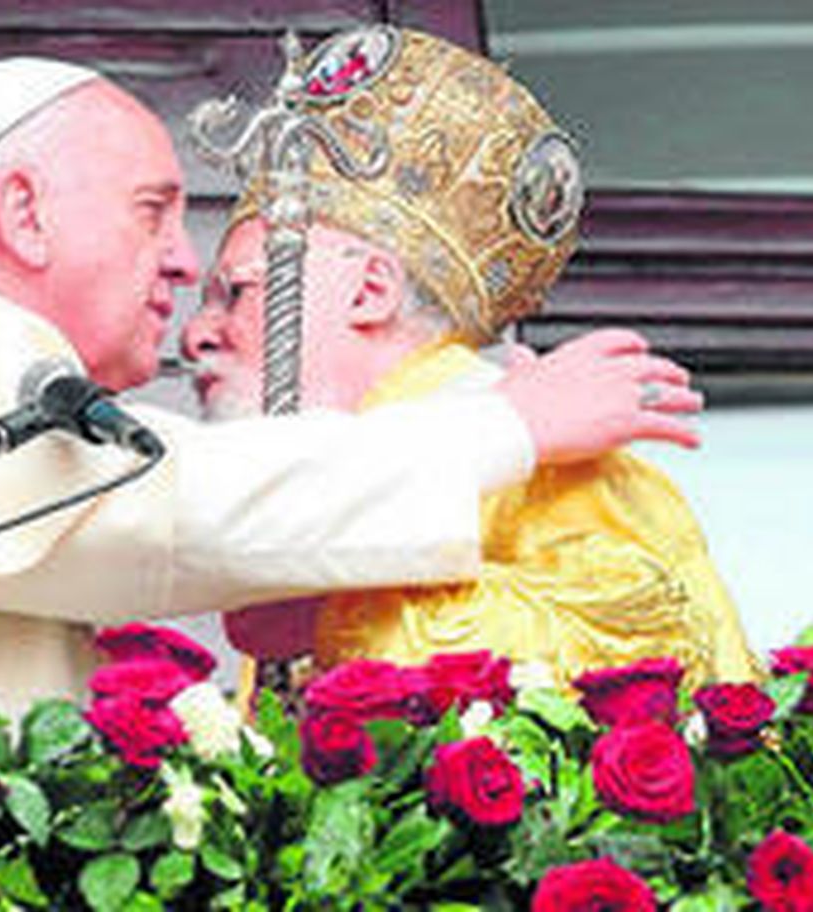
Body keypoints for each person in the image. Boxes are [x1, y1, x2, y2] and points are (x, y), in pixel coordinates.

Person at [0, 56, 703, 717]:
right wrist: (501, 429)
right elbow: (148, 506)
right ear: (23, 214)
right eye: (152, 210)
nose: (182, 267)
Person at [181, 27, 761, 688]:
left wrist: (332, 612)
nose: (194, 334)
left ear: (369, 292)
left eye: (235, 292)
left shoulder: (558, 464)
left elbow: (636, 662)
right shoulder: (319, 490)